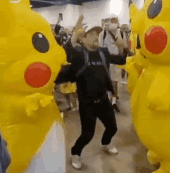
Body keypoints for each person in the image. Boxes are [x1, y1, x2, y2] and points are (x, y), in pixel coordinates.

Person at [55, 15, 128, 170]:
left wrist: (120, 44)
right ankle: (76, 153)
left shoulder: (103, 52)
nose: (95, 36)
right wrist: (75, 32)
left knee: (112, 128)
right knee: (87, 134)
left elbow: (122, 60)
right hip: (87, 104)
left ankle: (106, 143)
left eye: (97, 34)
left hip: (103, 100)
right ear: (83, 39)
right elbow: (65, 53)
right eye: (91, 34)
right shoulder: (79, 54)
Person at [99, 17, 128, 112]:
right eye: (113, 21)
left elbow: (124, 46)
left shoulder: (121, 33)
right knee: (107, 80)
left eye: (116, 21)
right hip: (106, 61)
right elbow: (100, 47)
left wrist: (122, 55)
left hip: (116, 60)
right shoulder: (102, 34)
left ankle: (114, 101)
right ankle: (108, 98)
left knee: (115, 81)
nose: (114, 23)